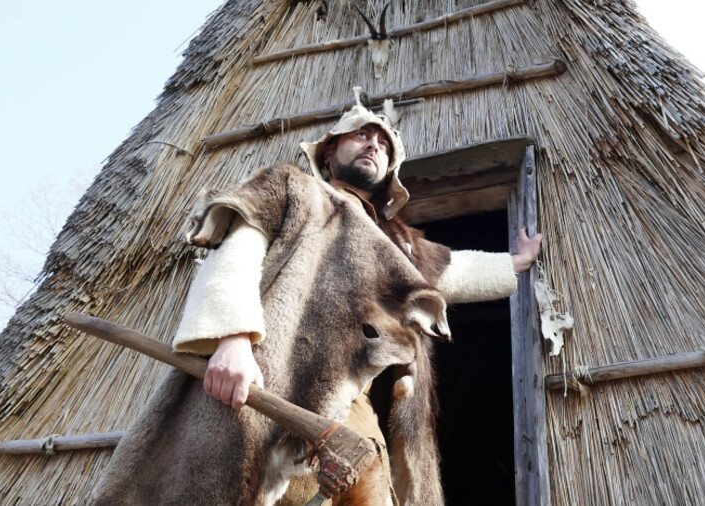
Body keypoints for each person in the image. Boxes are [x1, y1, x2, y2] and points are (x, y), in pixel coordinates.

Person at [171, 103, 541, 504]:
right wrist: (233, 340)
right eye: (362, 135)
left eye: (383, 144)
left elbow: (453, 271)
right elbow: (236, 253)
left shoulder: (399, 244)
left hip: (354, 409)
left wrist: (515, 262)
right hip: (275, 385)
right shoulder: (291, 189)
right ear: (329, 153)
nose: (373, 145)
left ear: (389, 175)